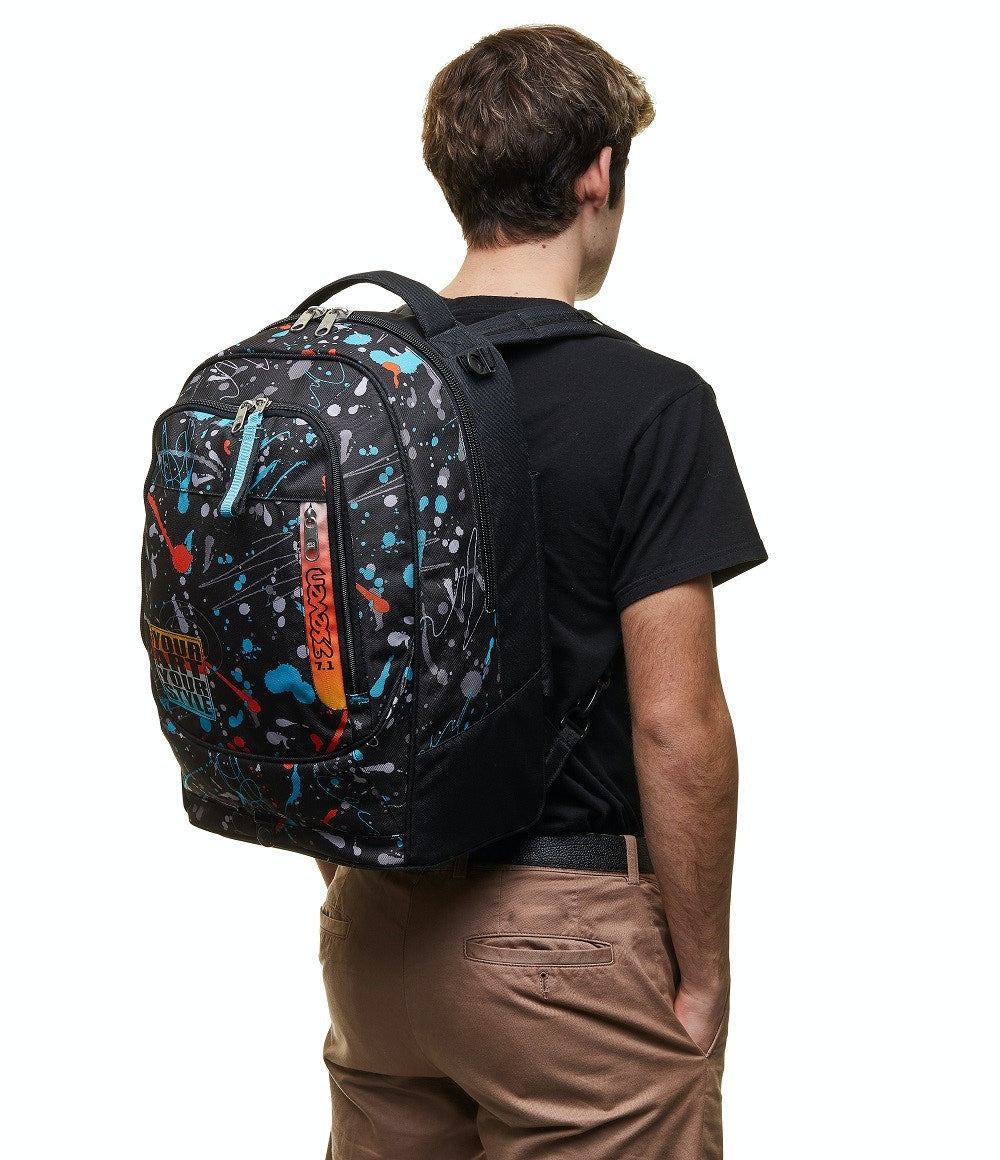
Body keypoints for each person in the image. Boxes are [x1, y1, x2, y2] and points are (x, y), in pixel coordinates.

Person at [315, 24, 767, 1160]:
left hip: (373, 933)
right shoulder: (650, 403)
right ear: (597, 175)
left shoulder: (352, 391)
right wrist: (703, 974)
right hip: (563, 947)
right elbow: (676, 725)